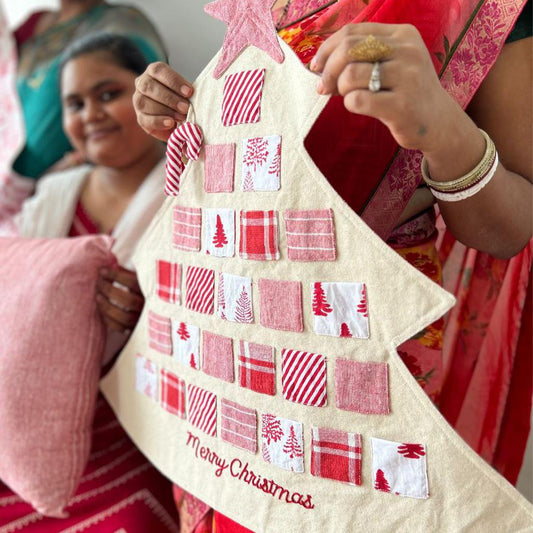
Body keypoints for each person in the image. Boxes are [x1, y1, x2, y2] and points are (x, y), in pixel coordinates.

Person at [131, 0, 532, 530]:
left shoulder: (479, 7)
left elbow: (508, 230)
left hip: (349, 337)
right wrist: (187, 109)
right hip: (225, 344)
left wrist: (439, 127)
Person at [0, 33, 178, 532]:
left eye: (108, 94)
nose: (91, 114)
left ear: (150, 92)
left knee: (134, 519)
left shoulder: (188, 189)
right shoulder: (51, 195)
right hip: (34, 419)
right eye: (75, 104)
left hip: (137, 420)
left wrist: (149, 317)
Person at [12, 0, 167, 181]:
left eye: (108, 95)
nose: (90, 114)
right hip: (15, 191)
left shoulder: (123, 23)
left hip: (83, 184)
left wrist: (75, 167)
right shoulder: (31, 27)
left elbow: (154, 113)